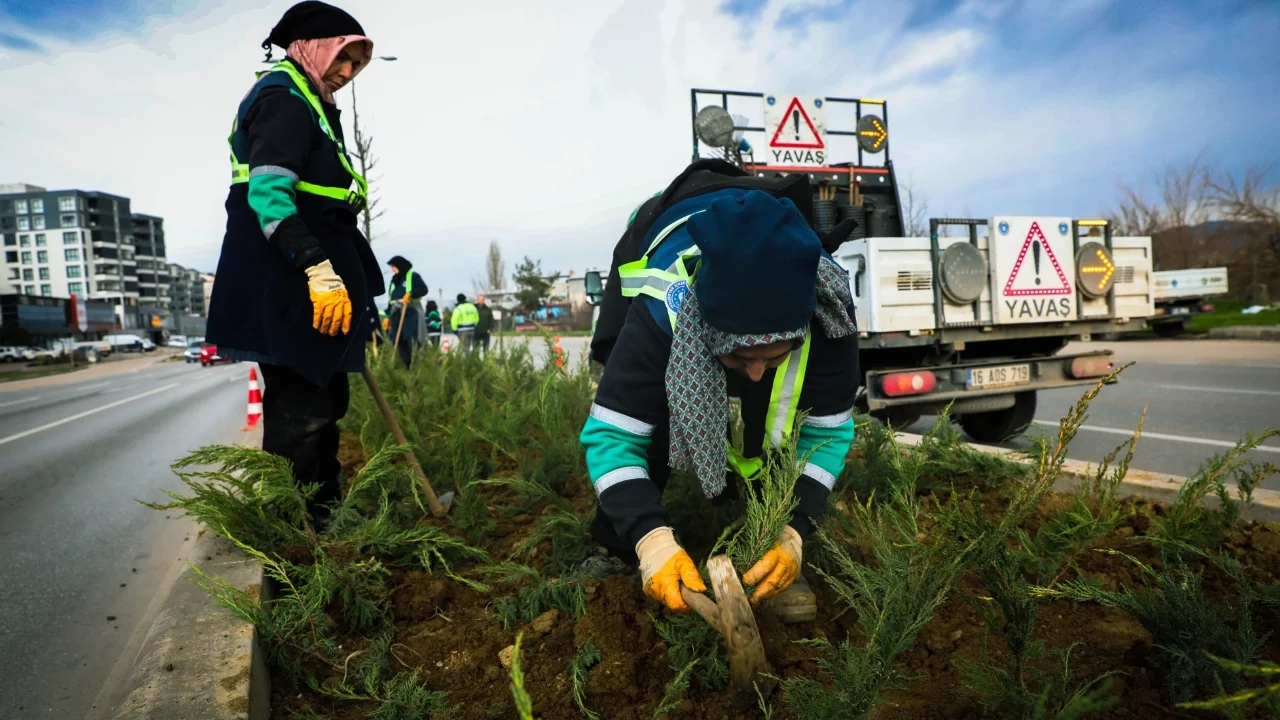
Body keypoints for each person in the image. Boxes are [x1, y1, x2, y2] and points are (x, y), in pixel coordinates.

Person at [579, 189, 859, 623]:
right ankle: (615, 544)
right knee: (649, 420)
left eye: (774, 356)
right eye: (738, 357)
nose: (754, 373)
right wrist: (649, 538)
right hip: (661, 223)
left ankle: (766, 548)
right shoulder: (659, 311)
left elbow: (826, 435)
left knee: (773, 417)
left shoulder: (830, 313)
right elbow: (613, 437)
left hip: (768, 247)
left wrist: (794, 528)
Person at [205, 0, 382, 523]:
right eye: (342, 58)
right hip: (291, 281)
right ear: (311, 47)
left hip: (313, 279)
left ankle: (325, 513)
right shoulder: (283, 98)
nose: (347, 73)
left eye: (356, 64)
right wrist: (316, 269)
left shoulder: (312, 98)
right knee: (302, 410)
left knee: (327, 400)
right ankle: (295, 532)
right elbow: (270, 195)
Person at [385, 255, 428, 367]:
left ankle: (416, 365)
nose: (392, 269)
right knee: (397, 339)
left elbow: (423, 290)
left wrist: (411, 293)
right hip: (396, 312)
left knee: (410, 338)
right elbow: (390, 298)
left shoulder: (413, 276)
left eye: (394, 266)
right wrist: (387, 315)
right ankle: (405, 366)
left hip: (410, 311)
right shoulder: (394, 280)